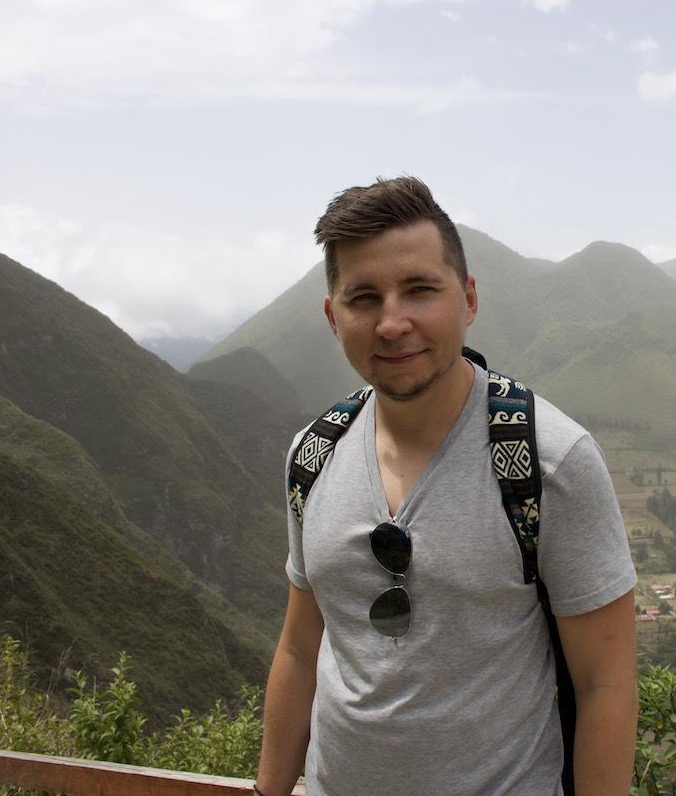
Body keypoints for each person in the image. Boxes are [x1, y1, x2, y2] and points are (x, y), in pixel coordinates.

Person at [254, 176, 638, 796]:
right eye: (363, 298)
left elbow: (606, 686)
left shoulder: (548, 462)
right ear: (333, 316)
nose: (392, 323)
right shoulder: (313, 456)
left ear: (469, 299)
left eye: (419, 290)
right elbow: (300, 649)